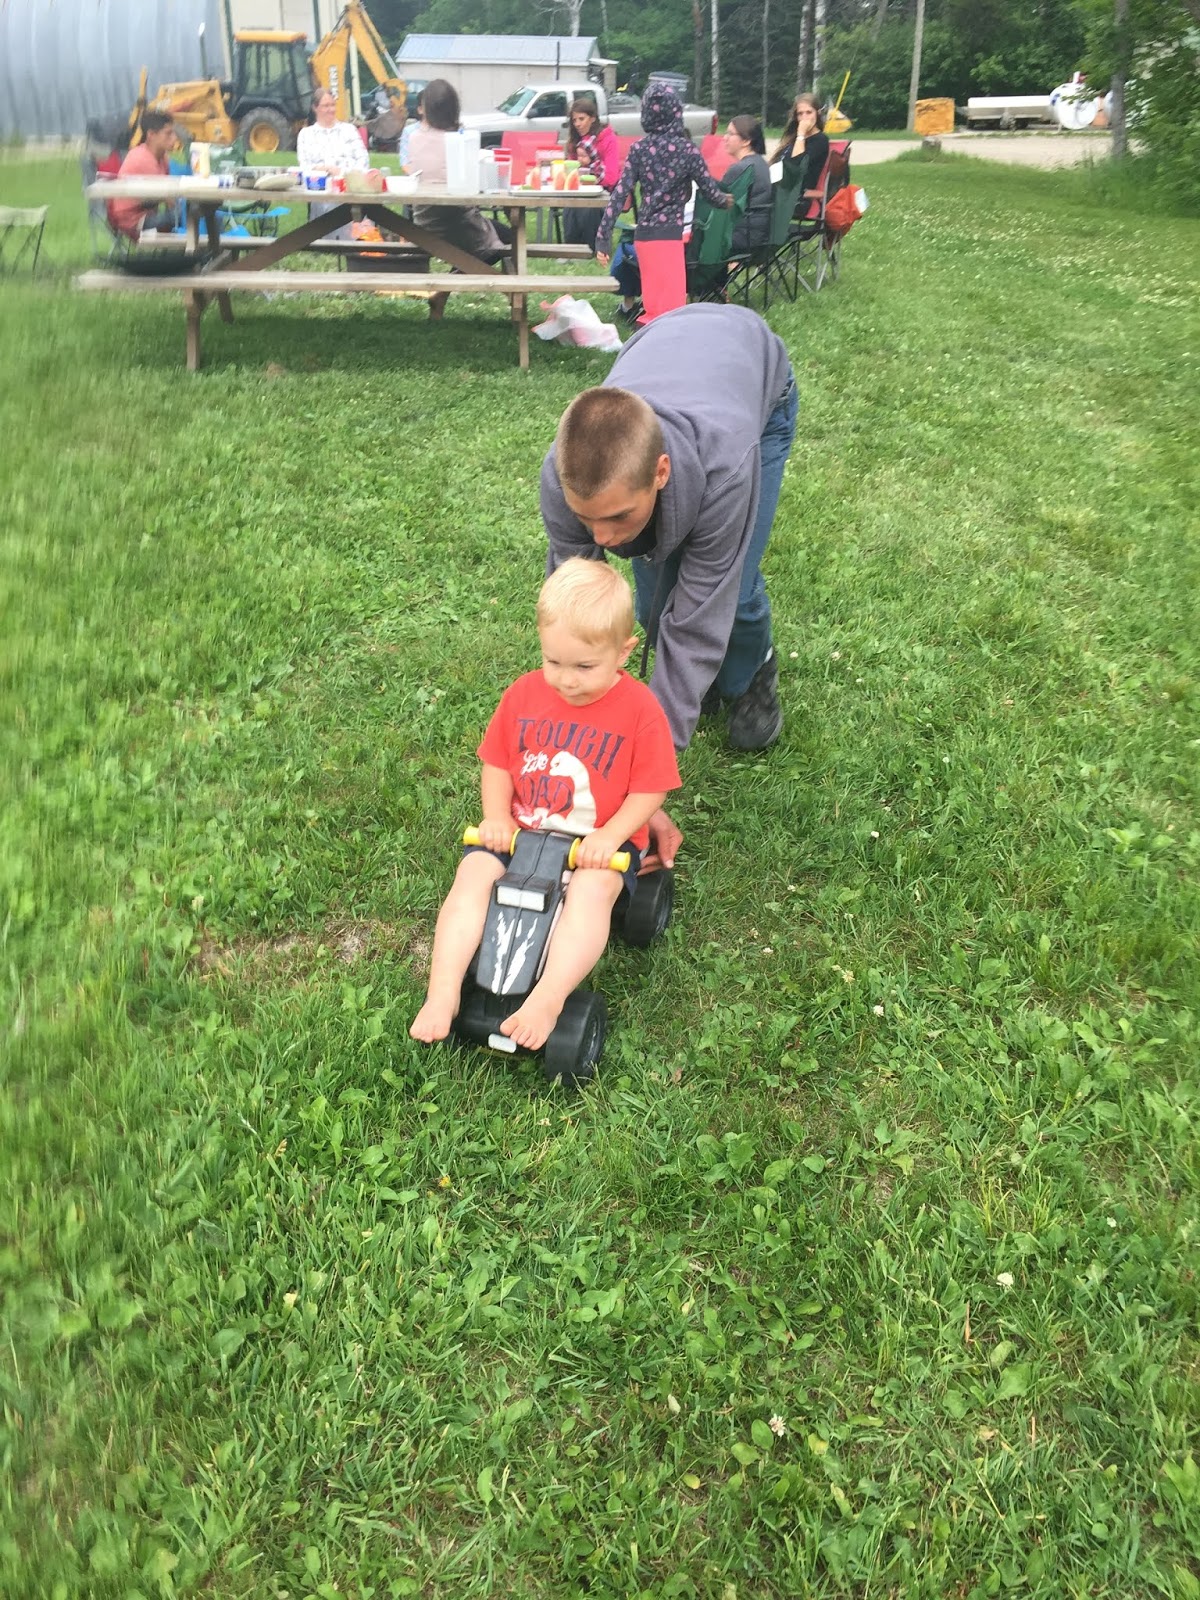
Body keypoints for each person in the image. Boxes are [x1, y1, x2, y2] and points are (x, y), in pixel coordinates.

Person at [540, 303, 797, 868]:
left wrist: (640, 776)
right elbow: (576, 607)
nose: (603, 540)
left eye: (618, 518)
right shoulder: (564, 476)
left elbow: (697, 619)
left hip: (755, 387)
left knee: (731, 587)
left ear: (660, 472)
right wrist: (576, 720)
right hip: (672, 344)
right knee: (656, 598)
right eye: (587, 520)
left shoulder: (726, 468)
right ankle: (696, 687)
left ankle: (754, 672)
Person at [410, 559, 680, 1051]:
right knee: (473, 875)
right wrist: (496, 818)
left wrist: (610, 837)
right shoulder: (524, 694)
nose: (566, 680)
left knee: (593, 892)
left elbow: (650, 790)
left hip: (596, 845)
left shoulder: (640, 710)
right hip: (522, 833)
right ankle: (443, 990)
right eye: (554, 662)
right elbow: (498, 763)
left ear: (624, 651)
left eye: (584, 667)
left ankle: (550, 997)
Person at [595, 81, 731, 325]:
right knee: (671, 312)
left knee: (653, 306)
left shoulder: (638, 149)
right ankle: (661, 344)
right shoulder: (688, 150)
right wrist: (727, 201)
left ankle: (647, 341)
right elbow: (711, 192)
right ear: (676, 111)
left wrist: (603, 237)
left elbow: (619, 194)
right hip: (670, 237)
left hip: (645, 237)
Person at [406, 78, 511, 320]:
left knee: (487, 241)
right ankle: (513, 298)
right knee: (509, 240)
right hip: (458, 224)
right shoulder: (460, 141)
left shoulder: (414, 138)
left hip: (424, 222)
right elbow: (476, 188)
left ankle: (445, 292)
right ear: (454, 108)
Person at [107, 111, 180, 239]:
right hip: (133, 222)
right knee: (190, 215)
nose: (174, 138)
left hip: (146, 214)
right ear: (151, 135)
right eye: (168, 133)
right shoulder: (143, 158)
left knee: (186, 214)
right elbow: (170, 197)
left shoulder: (162, 157)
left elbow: (171, 198)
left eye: (174, 133)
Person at [562, 95, 620, 251]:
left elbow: (612, 177)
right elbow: (571, 171)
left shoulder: (608, 139)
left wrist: (590, 179)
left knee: (588, 206)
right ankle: (571, 250)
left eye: (581, 119)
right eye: (574, 120)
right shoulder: (576, 141)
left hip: (604, 190)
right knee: (570, 205)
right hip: (579, 189)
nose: (577, 124)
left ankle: (592, 248)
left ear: (593, 118)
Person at [722, 116, 772, 254]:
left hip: (742, 236)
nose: (725, 138)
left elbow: (718, 207)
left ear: (746, 141)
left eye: (730, 134)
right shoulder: (762, 163)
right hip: (760, 234)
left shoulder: (740, 169)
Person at [296, 88, 370, 178]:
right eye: (326, 106)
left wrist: (342, 172)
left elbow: (364, 161)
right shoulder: (305, 135)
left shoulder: (349, 130)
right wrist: (323, 170)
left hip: (348, 182)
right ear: (315, 108)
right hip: (318, 183)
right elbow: (304, 166)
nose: (331, 109)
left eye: (333, 105)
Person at [771, 92, 830, 198]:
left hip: (793, 195)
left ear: (818, 113)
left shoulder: (820, 140)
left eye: (809, 112)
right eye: (800, 114)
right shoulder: (794, 137)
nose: (804, 118)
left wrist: (801, 134)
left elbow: (796, 165)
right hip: (778, 186)